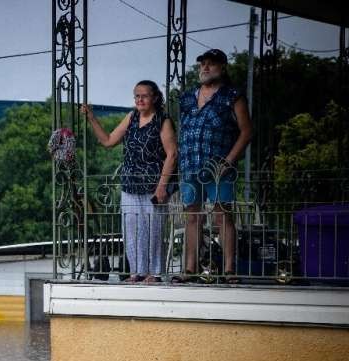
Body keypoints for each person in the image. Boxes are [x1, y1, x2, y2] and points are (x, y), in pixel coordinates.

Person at [82, 80, 178, 283]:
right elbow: (108, 141)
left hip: (154, 185)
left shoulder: (162, 120)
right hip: (130, 184)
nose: (140, 99)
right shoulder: (132, 117)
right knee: (132, 230)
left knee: (153, 229)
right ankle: (137, 272)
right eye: (137, 96)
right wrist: (92, 118)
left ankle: (155, 273)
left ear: (154, 97)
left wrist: (162, 186)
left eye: (144, 95)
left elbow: (172, 154)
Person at [176, 49, 252, 283]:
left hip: (219, 168)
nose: (205, 68)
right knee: (192, 217)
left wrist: (228, 162)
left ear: (222, 67)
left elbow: (247, 131)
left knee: (223, 217)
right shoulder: (187, 97)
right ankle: (190, 269)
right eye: (202, 64)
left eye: (211, 64)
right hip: (190, 166)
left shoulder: (232, 96)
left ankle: (230, 270)